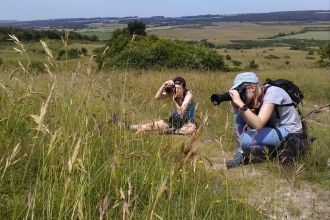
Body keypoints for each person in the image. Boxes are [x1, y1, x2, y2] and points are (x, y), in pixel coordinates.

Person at [226, 72, 303, 169]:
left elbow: (259, 124)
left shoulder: (272, 92)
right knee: (238, 110)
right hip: (273, 127)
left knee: (244, 139)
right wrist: (239, 107)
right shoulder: (258, 95)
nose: (240, 95)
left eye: (241, 91)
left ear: (252, 88)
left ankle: (274, 151)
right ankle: (241, 153)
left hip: (289, 131)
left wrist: (241, 105)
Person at [131, 77, 197, 135]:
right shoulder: (173, 93)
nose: (176, 90)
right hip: (174, 119)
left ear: (183, 89)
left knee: (191, 130)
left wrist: (172, 98)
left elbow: (181, 112)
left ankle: (173, 130)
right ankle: (128, 126)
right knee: (149, 126)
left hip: (187, 121)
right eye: (175, 88)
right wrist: (164, 85)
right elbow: (157, 97)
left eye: (178, 88)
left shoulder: (188, 96)